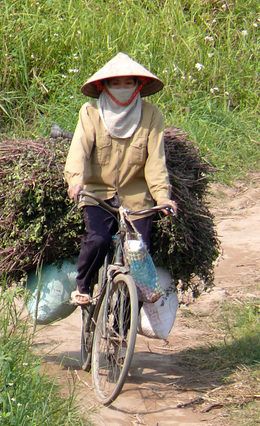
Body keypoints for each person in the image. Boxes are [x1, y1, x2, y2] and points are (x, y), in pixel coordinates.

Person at [64, 52, 177, 306]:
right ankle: (83, 285)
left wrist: (163, 197)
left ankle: (124, 324)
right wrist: (75, 180)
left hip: (137, 199)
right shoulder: (90, 112)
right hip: (98, 194)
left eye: (129, 83)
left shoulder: (151, 115)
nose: (123, 88)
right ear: (104, 86)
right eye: (116, 83)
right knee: (99, 239)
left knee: (138, 256)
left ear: (139, 86)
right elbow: (79, 150)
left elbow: (155, 162)